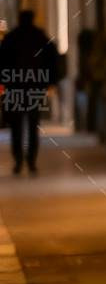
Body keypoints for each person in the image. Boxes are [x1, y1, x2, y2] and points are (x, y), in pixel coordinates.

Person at [0, 10, 61, 175]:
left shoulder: (11, 38)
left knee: (16, 126)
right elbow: (53, 60)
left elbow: (2, 61)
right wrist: (51, 82)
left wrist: (4, 82)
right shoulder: (39, 37)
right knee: (33, 126)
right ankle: (31, 161)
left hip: (15, 88)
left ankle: (19, 160)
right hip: (35, 88)